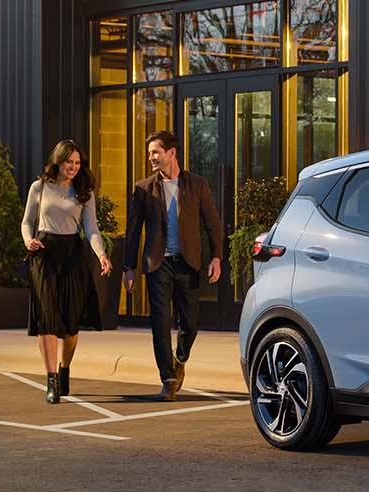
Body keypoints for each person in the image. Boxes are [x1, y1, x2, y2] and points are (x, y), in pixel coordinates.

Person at [120, 130, 222, 401]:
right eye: (150, 153)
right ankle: (168, 378)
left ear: (171, 153)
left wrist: (216, 257)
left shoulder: (197, 184)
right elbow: (133, 231)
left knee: (190, 323)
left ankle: (181, 357)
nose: (151, 157)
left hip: (188, 264)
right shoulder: (143, 188)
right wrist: (128, 267)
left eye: (155, 152)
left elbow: (212, 224)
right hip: (158, 265)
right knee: (160, 323)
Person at [23, 139, 112, 404]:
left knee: (71, 324)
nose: (73, 167)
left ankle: (64, 369)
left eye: (77, 163)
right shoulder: (39, 187)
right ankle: (51, 379)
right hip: (43, 254)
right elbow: (26, 222)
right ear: (58, 161)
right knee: (47, 318)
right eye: (68, 162)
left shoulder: (84, 192)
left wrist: (101, 255)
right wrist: (28, 240)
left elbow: (91, 229)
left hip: (73, 255)